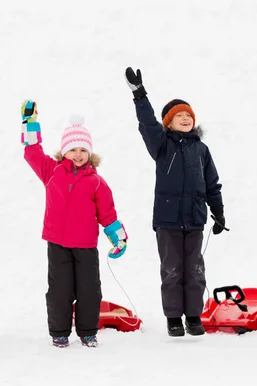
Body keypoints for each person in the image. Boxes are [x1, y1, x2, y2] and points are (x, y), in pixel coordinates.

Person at [124, 67, 226, 337]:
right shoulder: (161, 146)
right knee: (171, 270)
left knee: (194, 270)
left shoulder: (201, 150)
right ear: (168, 123)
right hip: (167, 221)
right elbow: (147, 123)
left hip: (194, 220)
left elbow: (212, 185)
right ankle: (173, 318)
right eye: (178, 116)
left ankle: (193, 316)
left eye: (188, 116)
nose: (184, 119)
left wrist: (219, 214)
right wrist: (139, 94)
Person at [21, 100, 127, 348]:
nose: (78, 154)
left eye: (83, 150)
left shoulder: (96, 182)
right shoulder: (52, 172)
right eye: (73, 149)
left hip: (86, 245)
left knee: (89, 290)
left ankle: (88, 332)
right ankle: (59, 332)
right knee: (59, 291)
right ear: (64, 152)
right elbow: (32, 151)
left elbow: (108, 214)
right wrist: (29, 122)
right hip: (57, 243)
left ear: (89, 154)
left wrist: (119, 238)